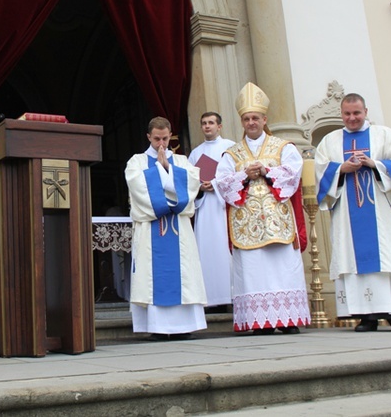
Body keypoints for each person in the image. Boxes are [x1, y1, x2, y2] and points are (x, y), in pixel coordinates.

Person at [216, 83, 311, 334]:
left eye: (255, 118)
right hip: (247, 225)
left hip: (277, 221)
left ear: (264, 119)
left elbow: (293, 173)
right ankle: (261, 321)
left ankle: (289, 320)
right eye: (246, 119)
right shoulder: (231, 154)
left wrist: (267, 171)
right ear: (242, 121)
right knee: (254, 271)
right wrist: (244, 176)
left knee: (283, 270)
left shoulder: (283, 147)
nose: (251, 122)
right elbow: (222, 183)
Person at [315, 93, 391, 332]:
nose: (352, 118)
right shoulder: (330, 140)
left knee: (386, 255)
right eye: (347, 114)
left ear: (365, 111)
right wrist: (341, 169)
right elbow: (320, 170)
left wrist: (375, 164)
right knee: (352, 257)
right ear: (341, 114)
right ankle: (366, 317)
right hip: (348, 213)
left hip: (381, 210)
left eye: (356, 113)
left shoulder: (385, 135)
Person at [125, 116, 207, 341]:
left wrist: (167, 168)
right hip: (150, 227)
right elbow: (137, 186)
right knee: (151, 273)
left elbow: (191, 184)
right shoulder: (137, 161)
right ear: (148, 137)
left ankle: (184, 325)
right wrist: (161, 172)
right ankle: (157, 326)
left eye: (165, 138)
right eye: (156, 139)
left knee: (184, 273)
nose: (161, 144)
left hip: (178, 227)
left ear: (170, 135)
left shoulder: (181, 161)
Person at [187, 112, 236, 309]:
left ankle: (231, 297)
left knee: (226, 251)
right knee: (206, 249)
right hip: (205, 207)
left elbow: (236, 175)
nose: (207, 126)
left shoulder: (230, 147)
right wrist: (199, 187)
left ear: (220, 126)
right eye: (204, 123)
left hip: (224, 206)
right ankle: (210, 299)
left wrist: (215, 184)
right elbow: (189, 179)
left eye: (211, 123)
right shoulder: (196, 153)